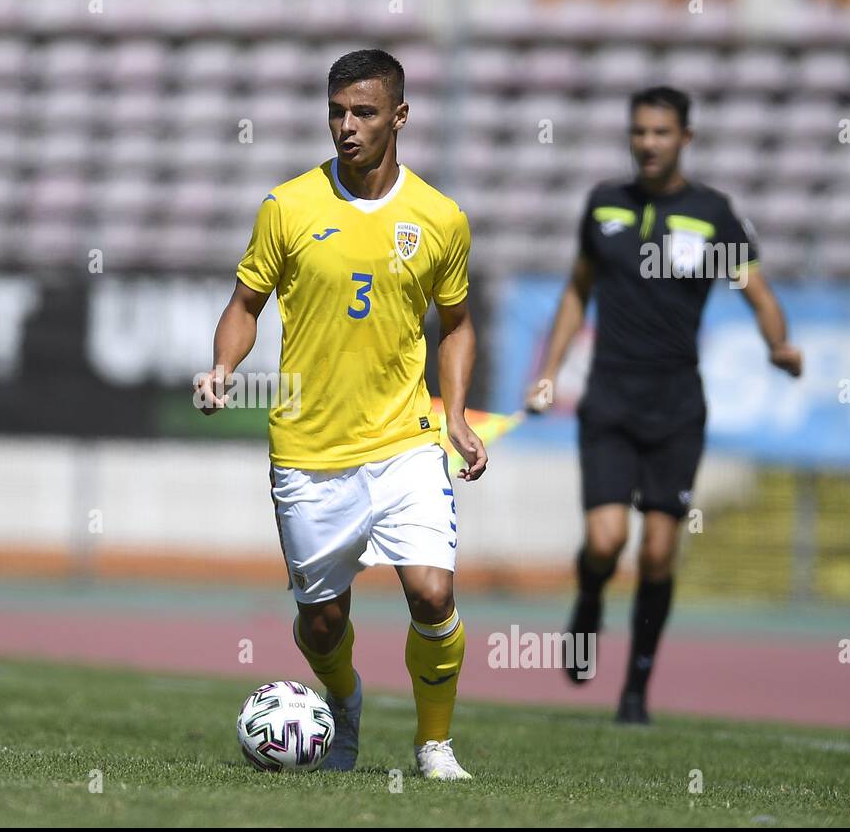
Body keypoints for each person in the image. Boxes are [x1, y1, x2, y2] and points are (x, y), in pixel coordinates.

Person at [195, 49, 487, 778]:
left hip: (404, 442)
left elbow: (457, 323)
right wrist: (223, 367)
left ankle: (434, 745)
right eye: (336, 112)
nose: (347, 127)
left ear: (400, 116)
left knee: (432, 591)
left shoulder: (440, 218)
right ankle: (345, 697)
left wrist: (454, 416)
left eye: (363, 112)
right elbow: (244, 306)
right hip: (309, 452)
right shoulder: (287, 206)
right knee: (324, 622)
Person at [525, 86, 803, 723]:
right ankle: (590, 600)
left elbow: (756, 291)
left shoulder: (712, 215)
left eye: (661, 132)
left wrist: (779, 345)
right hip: (611, 401)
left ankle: (635, 690)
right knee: (606, 539)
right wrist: (548, 373)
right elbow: (576, 293)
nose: (648, 143)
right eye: (639, 132)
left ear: (685, 138)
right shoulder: (605, 206)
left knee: (656, 551)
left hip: (677, 406)